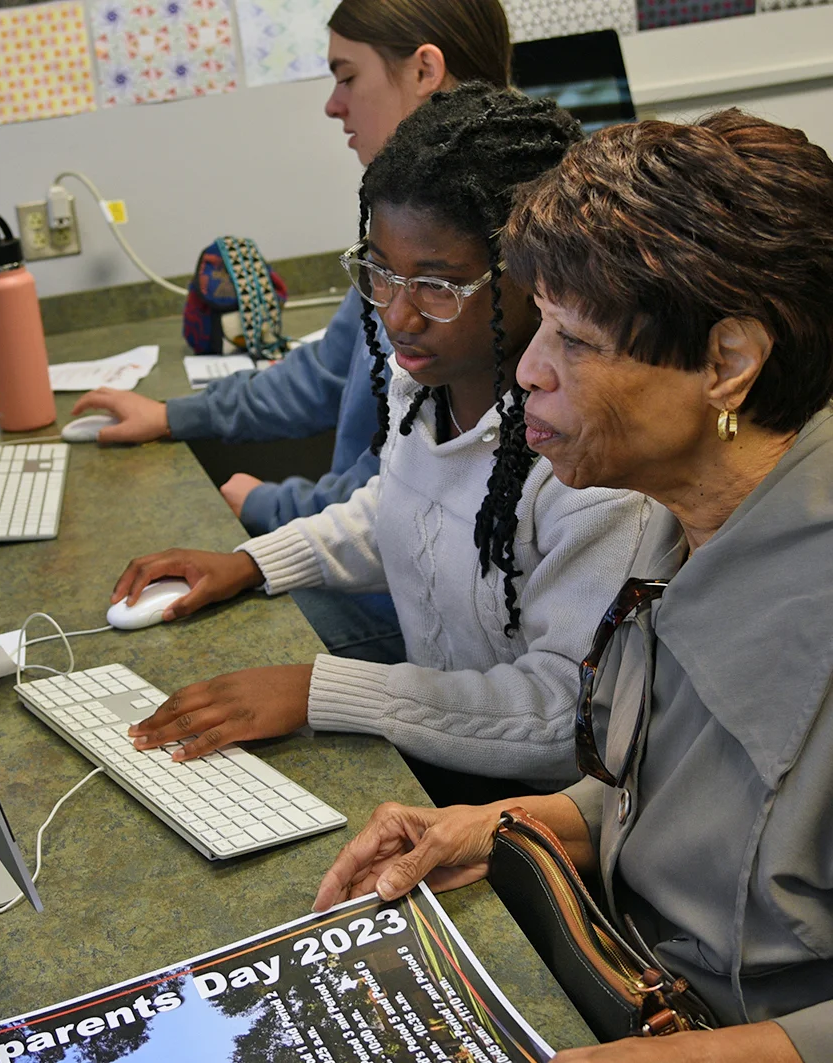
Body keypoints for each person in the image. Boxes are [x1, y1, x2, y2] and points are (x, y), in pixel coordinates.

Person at [313, 110, 833, 1062]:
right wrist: (502, 826)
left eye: (576, 340)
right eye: (538, 321)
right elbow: (669, 797)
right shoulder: (680, 521)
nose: (528, 370)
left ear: (728, 364)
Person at [112, 84, 652, 806]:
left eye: (436, 284)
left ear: (535, 278)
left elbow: (565, 714)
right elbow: (401, 510)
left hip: (536, 816)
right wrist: (253, 561)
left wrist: (324, 690)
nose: (398, 313)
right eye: (381, 272)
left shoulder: (587, 465)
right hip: (440, 759)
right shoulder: (427, 382)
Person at [71, 0, 513, 664]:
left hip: (430, 611)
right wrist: (173, 414)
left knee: (207, 653)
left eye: (346, 76)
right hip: (381, 569)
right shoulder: (404, 236)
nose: (333, 106)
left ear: (424, 70)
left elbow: (422, 496)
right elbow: (331, 384)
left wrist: (266, 506)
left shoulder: (498, 261)